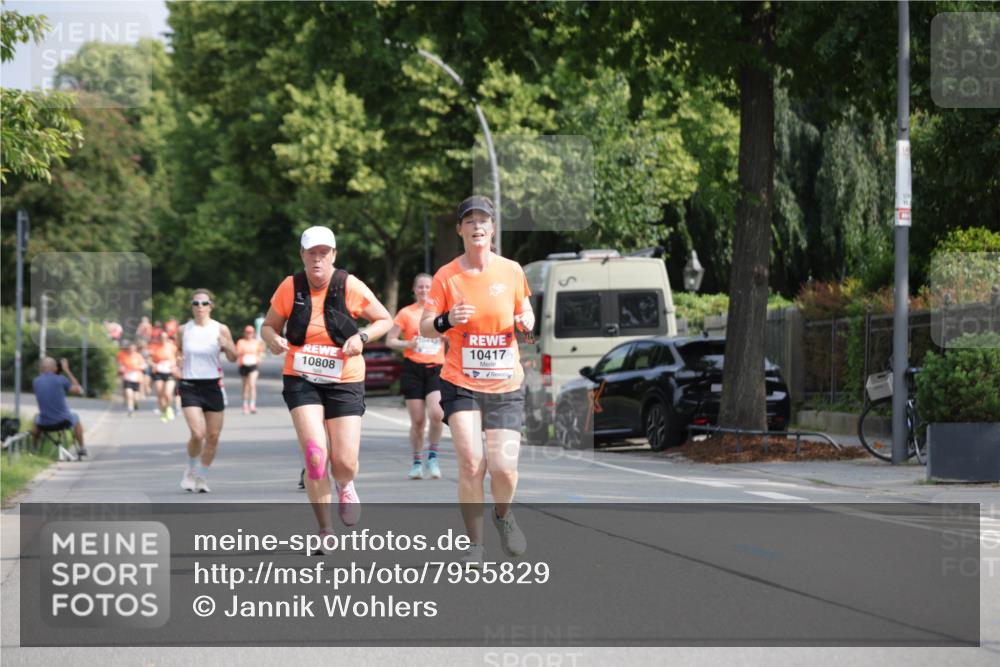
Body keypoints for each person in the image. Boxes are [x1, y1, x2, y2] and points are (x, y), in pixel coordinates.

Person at [420, 196, 534, 567]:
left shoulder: (512, 270)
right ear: (460, 230)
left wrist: (526, 321)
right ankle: (475, 545)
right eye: (469, 221)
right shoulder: (446, 276)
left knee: (504, 468)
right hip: (460, 381)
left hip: (504, 385)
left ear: (493, 228)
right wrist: (447, 319)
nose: (476, 226)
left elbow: (524, 308)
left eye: (483, 220)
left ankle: (503, 515)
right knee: (471, 463)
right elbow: (425, 324)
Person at [261, 225, 392, 543]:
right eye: (311, 253)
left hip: (344, 378)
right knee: (316, 456)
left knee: (344, 462)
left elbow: (385, 320)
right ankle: (324, 529)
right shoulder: (291, 287)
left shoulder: (350, 286)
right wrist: (274, 339)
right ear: (302, 255)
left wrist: (361, 337)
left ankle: (345, 485)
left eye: (324, 253)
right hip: (301, 377)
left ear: (333, 255)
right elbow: (268, 326)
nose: (317, 259)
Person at [386, 273, 446, 480]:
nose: (424, 290)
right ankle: (417, 462)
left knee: (437, 414)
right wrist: (406, 344)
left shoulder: (439, 313)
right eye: (420, 287)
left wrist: (446, 335)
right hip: (413, 369)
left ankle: (433, 457)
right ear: (414, 290)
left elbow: (454, 337)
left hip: (436, 368)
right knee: (418, 420)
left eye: (428, 286)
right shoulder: (406, 313)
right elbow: (390, 340)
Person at [177, 289, 238, 493]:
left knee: (212, 436)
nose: (200, 307)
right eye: (195, 303)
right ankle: (191, 470)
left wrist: (227, 345)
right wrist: (177, 360)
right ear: (191, 306)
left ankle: (202, 477)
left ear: (211, 306)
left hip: (213, 385)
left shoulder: (220, 329)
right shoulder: (183, 330)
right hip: (189, 385)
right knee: (197, 434)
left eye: (204, 303)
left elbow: (233, 357)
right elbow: (178, 351)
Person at [31, 357, 87, 458]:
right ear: (55, 368)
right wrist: (67, 370)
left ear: (41, 368)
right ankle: (82, 448)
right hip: (63, 421)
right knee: (76, 417)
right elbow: (79, 389)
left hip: (44, 423)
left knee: (36, 417)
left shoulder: (36, 381)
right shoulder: (61, 380)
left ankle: (34, 450)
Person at [149, 330, 179, 422]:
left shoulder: (173, 347)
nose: (163, 339)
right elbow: (149, 360)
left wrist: (174, 363)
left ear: (167, 338)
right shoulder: (154, 347)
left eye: (165, 337)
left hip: (170, 372)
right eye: (161, 337)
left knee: (167, 393)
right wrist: (154, 364)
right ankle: (164, 412)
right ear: (158, 338)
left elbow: (179, 357)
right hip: (159, 372)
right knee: (159, 393)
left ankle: (169, 407)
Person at [236, 325, 265, 414]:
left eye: (251, 332)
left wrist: (259, 358)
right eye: (247, 332)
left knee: (252, 384)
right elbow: (238, 352)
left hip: (253, 365)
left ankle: (252, 405)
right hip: (244, 365)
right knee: (245, 386)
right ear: (244, 333)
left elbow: (261, 352)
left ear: (253, 333)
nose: (249, 334)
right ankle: (245, 405)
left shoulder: (256, 342)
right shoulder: (241, 342)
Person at [117, 341, 147, 417]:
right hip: (127, 378)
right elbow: (120, 365)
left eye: (133, 348)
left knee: (135, 397)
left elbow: (144, 366)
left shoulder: (138, 356)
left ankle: (135, 403)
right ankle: (130, 409)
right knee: (128, 393)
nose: (131, 350)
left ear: (135, 349)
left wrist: (136, 368)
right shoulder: (123, 355)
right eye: (130, 348)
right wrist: (122, 369)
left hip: (136, 378)